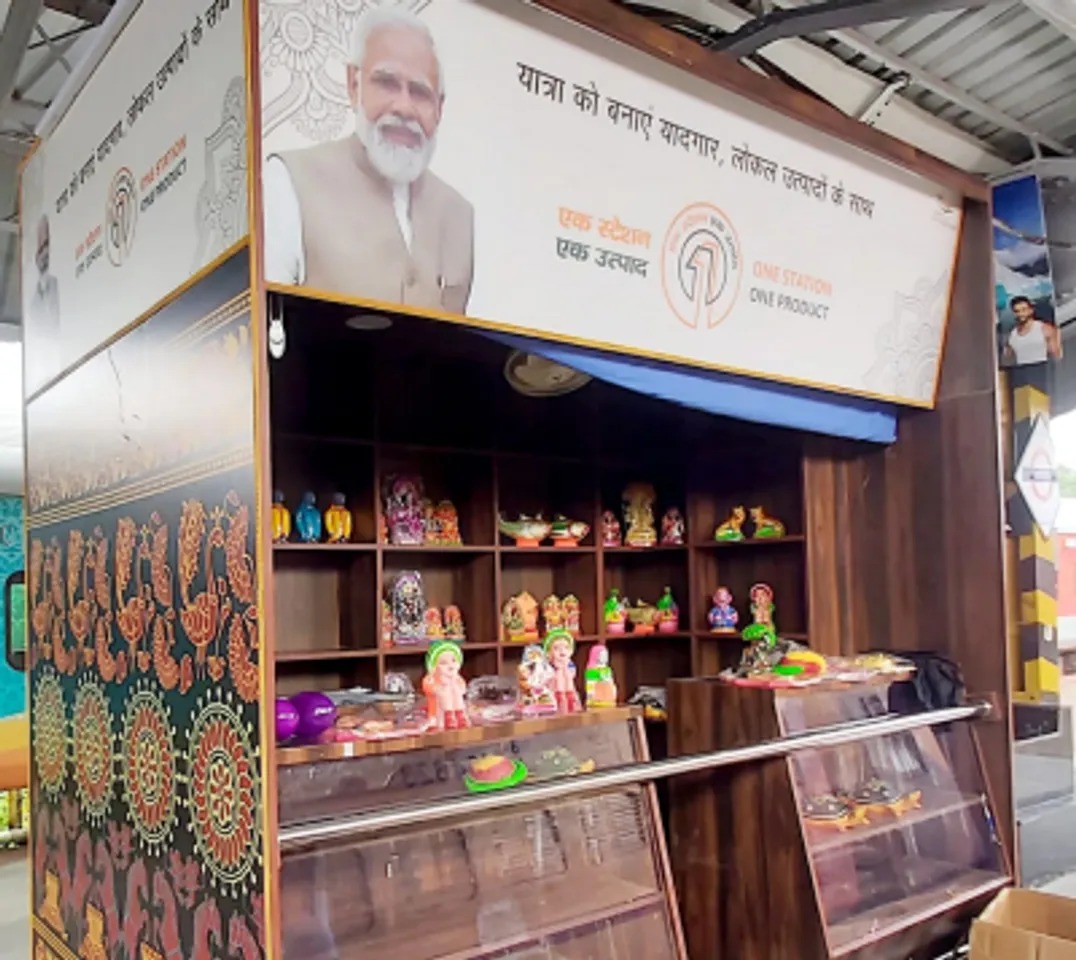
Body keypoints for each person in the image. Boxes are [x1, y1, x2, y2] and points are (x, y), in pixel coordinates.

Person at [263, 7, 474, 314]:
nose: (404, 107)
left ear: (439, 109)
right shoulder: (290, 181)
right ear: (354, 85)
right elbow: (264, 325)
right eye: (386, 83)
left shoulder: (459, 215)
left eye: (420, 92)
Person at [1005, 296, 1062, 365]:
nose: (1021, 314)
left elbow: (1056, 355)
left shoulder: (1044, 329)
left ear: (1031, 310)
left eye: (1024, 310)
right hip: (1022, 369)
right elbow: (1007, 357)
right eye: (1017, 311)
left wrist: (1057, 334)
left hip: (1042, 368)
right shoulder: (1012, 335)